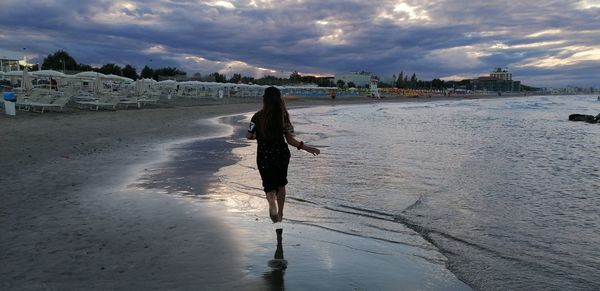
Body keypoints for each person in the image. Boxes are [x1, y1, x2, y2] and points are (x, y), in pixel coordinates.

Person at [246, 87, 320, 223]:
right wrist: (308, 148)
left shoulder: (256, 116)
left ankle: (271, 204)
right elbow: (291, 140)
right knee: (281, 184)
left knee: (269, 186)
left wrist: (260, 136)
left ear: (264, 100)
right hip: (281, 155)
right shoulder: (283, 117)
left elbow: (249, 136)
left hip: (263, 156)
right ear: (279, 100)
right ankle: (280, 213)